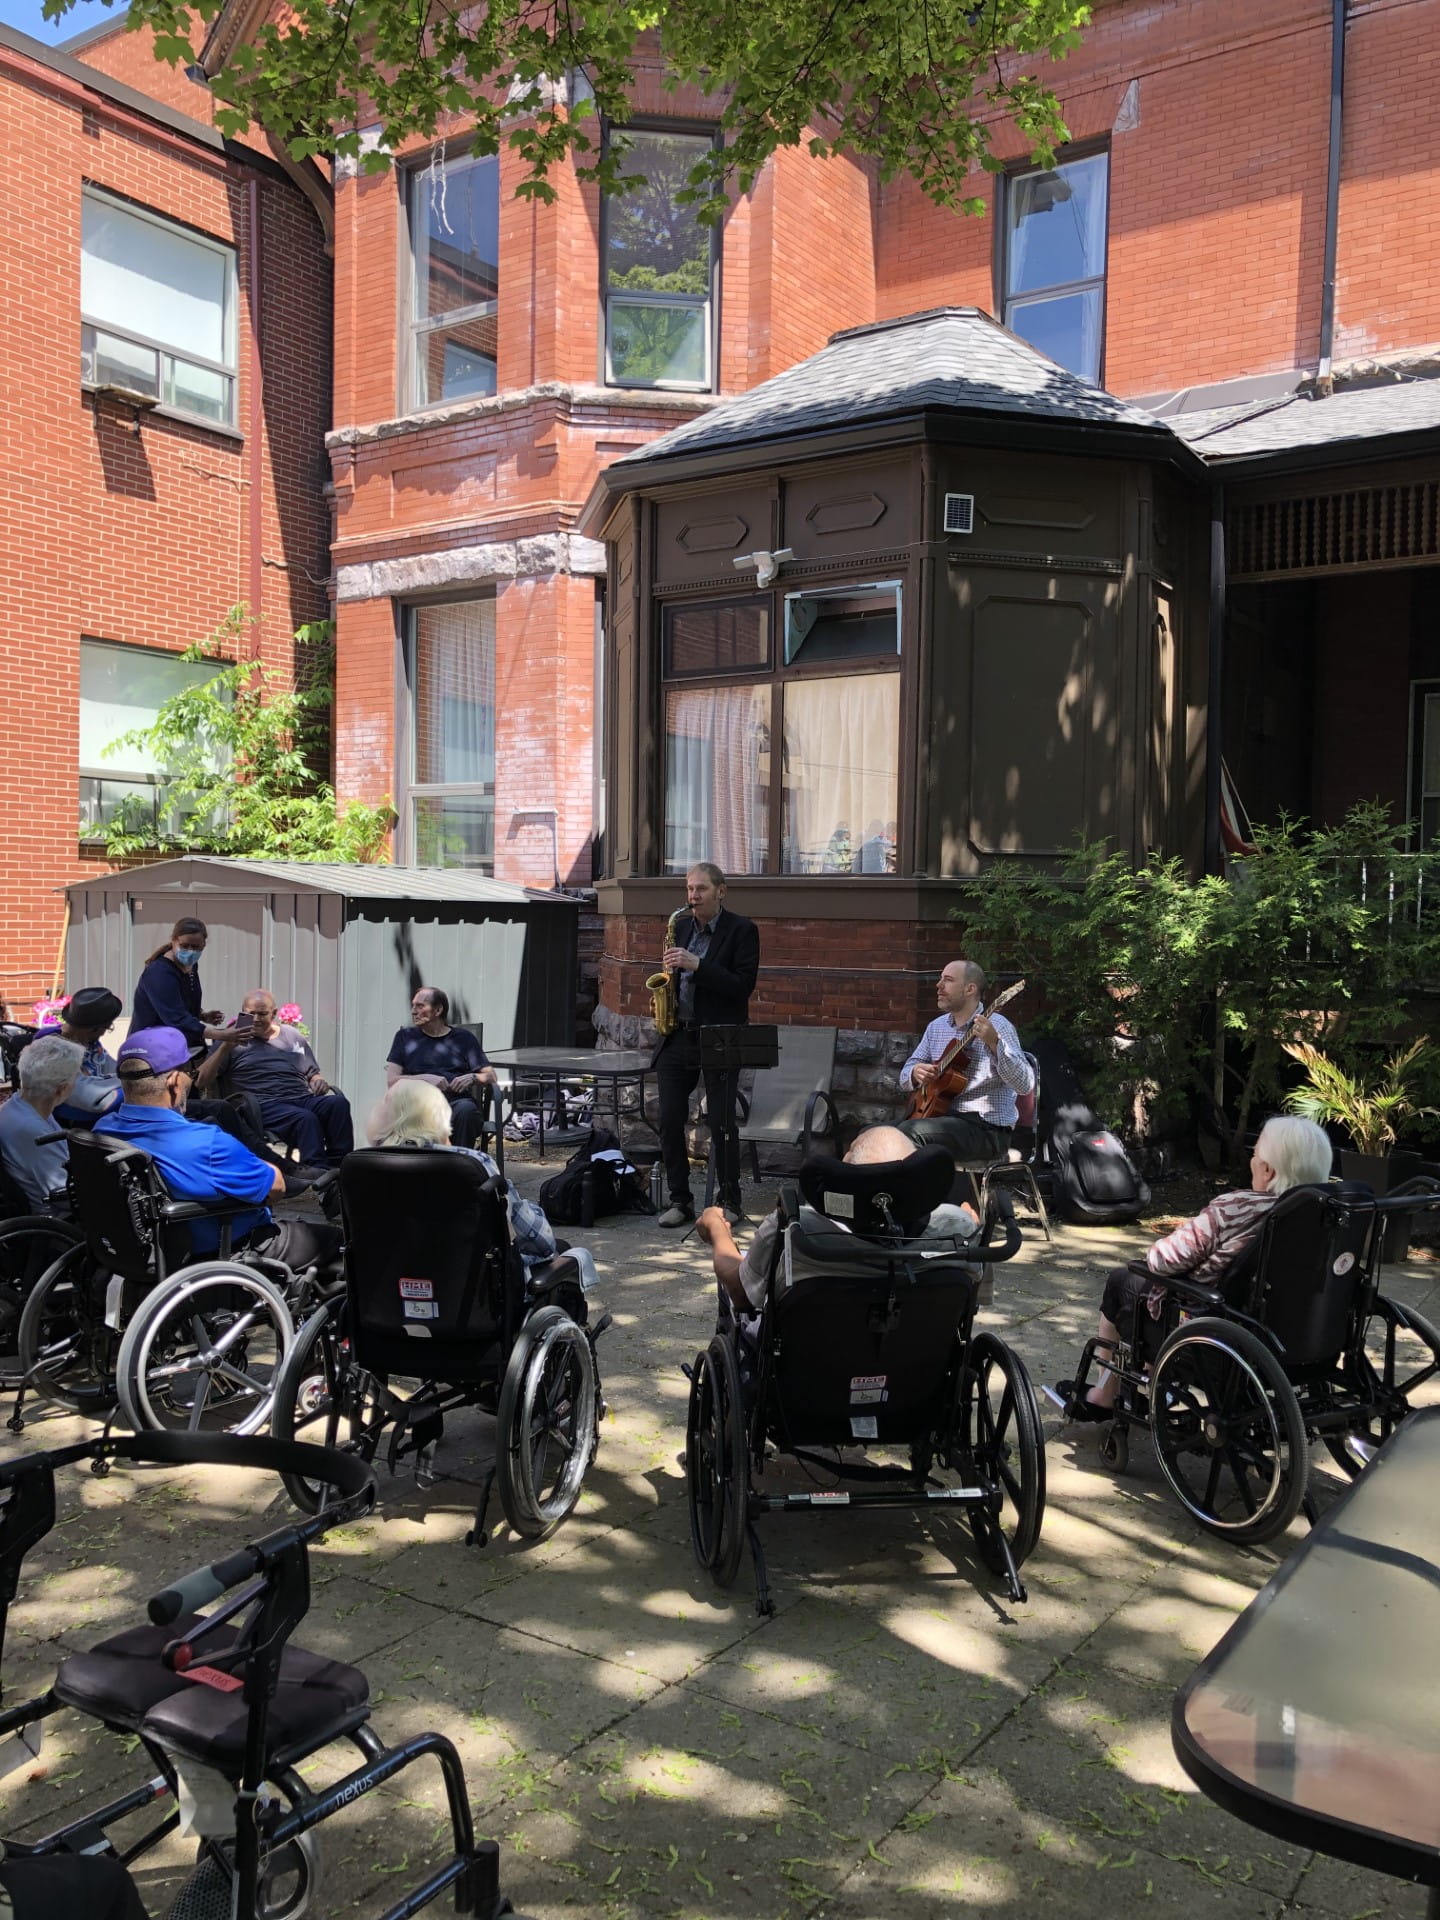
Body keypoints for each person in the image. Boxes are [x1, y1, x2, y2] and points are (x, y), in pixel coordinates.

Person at [1053, 1113, 1335, 1420]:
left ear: (1267, 1170)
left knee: (1123, 1280)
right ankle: (1153, 1373)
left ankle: (1104, 1394)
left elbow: (1162, 1260)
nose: (1251, 1162)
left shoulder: (1235, 1209)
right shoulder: (1328, 1220)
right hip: (1302, 1335)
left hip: (1220, 1332)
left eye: (1254, 1156)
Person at [96, 1027, 340, 1269]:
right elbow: (275, 1188)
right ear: (173, 1082)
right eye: (190, 1071)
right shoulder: (206, 1143)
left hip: (139, 1251)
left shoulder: (102, 1131)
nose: (191, 1079)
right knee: (337, 1242)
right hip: (225, 1247)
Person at [696, 1126, 980, 1321]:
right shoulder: (959, 1227)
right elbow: (971, 1303)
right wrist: (965, 1221)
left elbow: (742, 1293)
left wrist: (717, 1231)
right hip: (914, 1377)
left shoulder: (798, 1229)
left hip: (813, 1377)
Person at [367, 1078, 595, 1286]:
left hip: (386, 1293)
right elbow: (541, 1241)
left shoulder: (366, 1167)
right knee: (560, 1250)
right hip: (470, 1294)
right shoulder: (474, 1164)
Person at [653, 862, 760, 1229]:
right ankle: (679, 1200)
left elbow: (742, 985)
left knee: (721, 1122)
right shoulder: (681, 926)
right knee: (668, 1118)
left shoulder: (743, 931)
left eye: (700, 889)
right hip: (678, 1033)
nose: (692, 896)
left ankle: (729, 1200)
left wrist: (698, 964)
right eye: (689, 889)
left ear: (721, 891)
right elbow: (674, 975)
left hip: (719, 1035)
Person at [898, 959, 1034, 1162]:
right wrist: (915, 1072)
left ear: (970, 989)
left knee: (907, 1134)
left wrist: (995, 1043)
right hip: (940, 1119)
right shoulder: (936, 1027)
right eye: (940, 979)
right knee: (872, 1133)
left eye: (948, 980)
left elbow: (1024, 1085)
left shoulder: (998, 1026)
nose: (938, 985)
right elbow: (904, 1075)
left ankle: (912, 1193)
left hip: (986, 1130)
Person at [198, 992, 353, 1168]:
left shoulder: (292, 1035)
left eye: (262, 1014)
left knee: (338, 1103)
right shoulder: (231, 1040)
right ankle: (316, 1172)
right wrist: (225, 1047)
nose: (255, 1019)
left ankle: (340, 1167)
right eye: (250, 1013)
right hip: (263, 1104)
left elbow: (312, 1073)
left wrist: (317, 1080)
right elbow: (202, 1080)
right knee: (305, 1119)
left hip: (301, 1098)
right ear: (242, 1013)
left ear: (274, 1013)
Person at [385, 988, 496, 1150]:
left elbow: (491, 1076)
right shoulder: (404, 1037)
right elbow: (392, 1081)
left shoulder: (464, 1039)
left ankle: (460, 1167)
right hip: (416, 1104)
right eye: (413, 1006)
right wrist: (426, 1079)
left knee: (467, 1112)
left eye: (420, 1006)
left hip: (456, 1103)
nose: (413, 1011)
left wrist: (473, 1077)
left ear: (438, 1010)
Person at [0, 1036, 82, 1213]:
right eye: (77, 1076)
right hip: (59, 1222)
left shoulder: (19, 1105)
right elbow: (67, 1194)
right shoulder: (31, 1128)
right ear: (61, 1089)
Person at [131, 918, 229, 1051]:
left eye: (196, 947)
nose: (190, 952)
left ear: (203, 945)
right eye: (184, 946)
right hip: (153, 1049)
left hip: (179, 1046)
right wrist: (221, 1034)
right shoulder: (159, 973)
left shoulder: (190, 966)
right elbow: (176, 1018)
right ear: (173, 941)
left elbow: (179, 1001)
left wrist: (202, 1015)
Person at [53, 987, 124, 1125]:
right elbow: (90, 1099)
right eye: (108, 1027)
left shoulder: (90, 1043)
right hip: (75, 1125)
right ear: (93, 1029)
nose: (105, 1032)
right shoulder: (57, 1052)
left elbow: (114, 1069)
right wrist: (128, 1083)